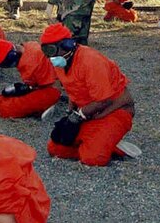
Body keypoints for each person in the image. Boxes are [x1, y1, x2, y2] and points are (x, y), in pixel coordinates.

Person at [39, 23, 141, 166]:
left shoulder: (91, 60)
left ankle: (108, 145)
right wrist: (70, 114)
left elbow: (104, 100)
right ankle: (102, 142)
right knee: (55, 149)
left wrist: (78, 116)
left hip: (114, 111)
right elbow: (73, 90)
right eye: (45, 51)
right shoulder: (62, 63)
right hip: (89, 113)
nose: (50, 56)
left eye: (51, 50)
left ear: (67, 45)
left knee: (93, 159)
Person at [0, 37, 61, 119]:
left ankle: (46, 106)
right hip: (40, 86)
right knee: (1, 99)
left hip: (50, 90)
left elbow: (50, 84)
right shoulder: (28, 47)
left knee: (6, 108)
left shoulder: (30, 63)